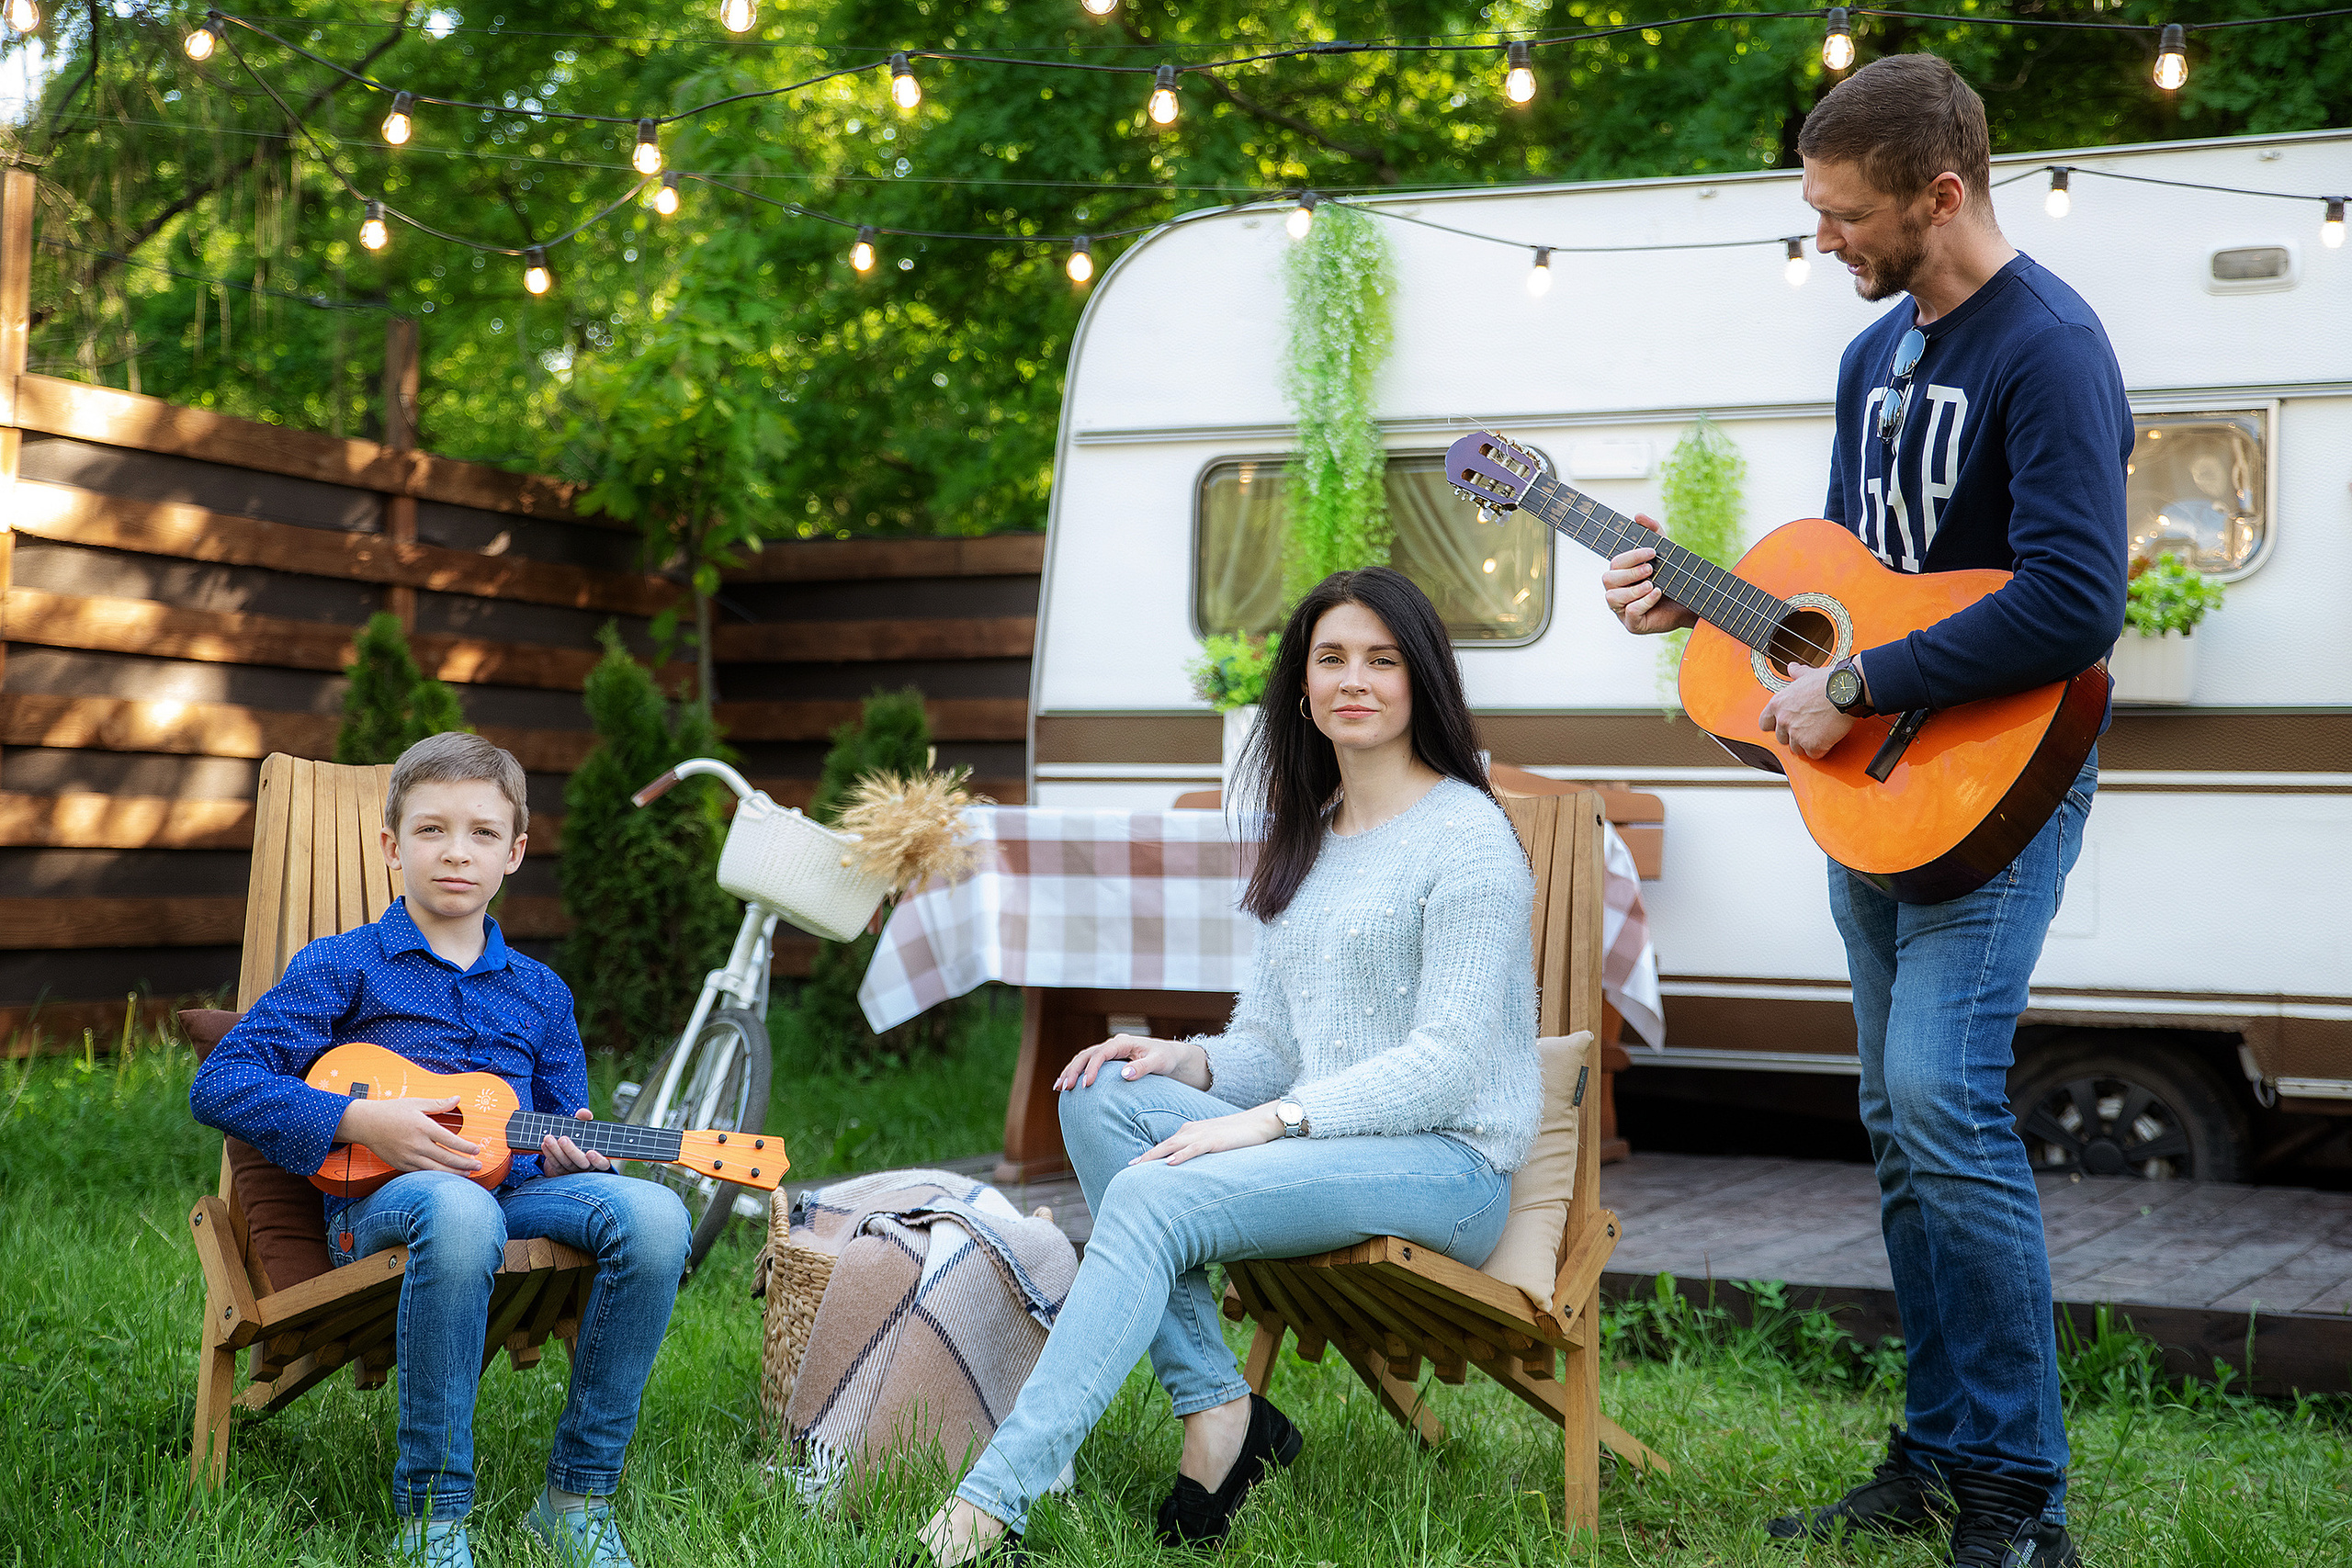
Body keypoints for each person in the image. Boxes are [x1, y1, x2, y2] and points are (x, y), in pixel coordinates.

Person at [1601, 52, 2127, 1568]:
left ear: (1938, 192)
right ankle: (1937, 1451)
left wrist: (1869, 679)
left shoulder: (2052, 349)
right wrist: (1695, 602)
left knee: (1947, 1107)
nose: (1826, 239)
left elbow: (2077, 603)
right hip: (1879, 796)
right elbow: (1843, 587)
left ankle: (2023, 1506)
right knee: (1900, 1122)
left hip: (1999, 782)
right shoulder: (1875, 360)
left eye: (1844, 216)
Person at [906, 567, 1539, 1565]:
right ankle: (1219, 1408)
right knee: (1099, 1096)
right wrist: (1184, 1063)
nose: (1354, 679)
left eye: (1381, 659)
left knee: (1154, 1203)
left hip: (1447, 1168)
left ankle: (988, 1507)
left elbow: (1449, 1066)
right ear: (1301, 689)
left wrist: (1270, 1121)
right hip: (1337, 1149)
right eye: (1331, 658)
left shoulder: (1468, 837)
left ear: (1422, 681)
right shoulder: (1317, 836)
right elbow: (1274, 1050)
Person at [190, 732, 690, 1568]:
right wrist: (358, 1124)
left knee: (657, 1214)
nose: (456, 852)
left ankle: (576, 1497)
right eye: (431, 830)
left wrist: (570, 1154)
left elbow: (553, 1126)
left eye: (482, 833)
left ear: (515, 853)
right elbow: (223, 1082)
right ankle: (432, 1515)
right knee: (456, 1206)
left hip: (510, 1197)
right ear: (392, 846)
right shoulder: (341, 964)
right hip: (379, 1211)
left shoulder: (541, 991)